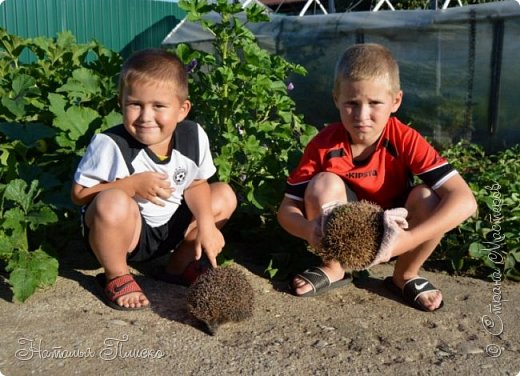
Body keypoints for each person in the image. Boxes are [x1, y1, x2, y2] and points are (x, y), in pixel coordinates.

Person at [277, 43, 477, 311]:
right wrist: (307, 230)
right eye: (351, 103)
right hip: (343, 236)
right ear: (336, 99)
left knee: (428, 197)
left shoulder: (405, 139)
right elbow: (287, 209)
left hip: (398, 228)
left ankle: (405, 273)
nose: (362, 116)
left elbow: (465, 201)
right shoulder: (323, 145)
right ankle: (335, 268)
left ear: (396, 101)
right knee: (322, 183)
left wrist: (409, 239)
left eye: (374, 103)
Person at [71, 48, 237, 310]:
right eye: (135, 104)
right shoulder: (110, 144)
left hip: (170, 229)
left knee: (223, 194)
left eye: (159, 106)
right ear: (121, 103)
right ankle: (116, 274)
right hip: (127, 234)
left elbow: (196, 183)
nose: (146, 116)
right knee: (112, 200)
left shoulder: (193, 136)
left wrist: (206, 223)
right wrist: (128, 186)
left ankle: (179, 266)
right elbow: (79, 194)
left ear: (182, 110)